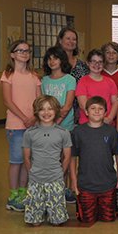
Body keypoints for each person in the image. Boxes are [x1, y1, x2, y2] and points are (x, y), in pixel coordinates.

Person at [0, 40, 41, 212]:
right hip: (16, 126)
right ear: (12, 54)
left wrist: (33, 117)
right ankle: (13, 195)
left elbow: (39, 100)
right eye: (20, 50)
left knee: (27, 161)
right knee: (16, 161)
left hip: (32, 125)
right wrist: (25, 117)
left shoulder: (34, 76)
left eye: (27, 51)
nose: (24, 53)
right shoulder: (8, 75)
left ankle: (24, 192)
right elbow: (7, 101)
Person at [70, 96, 118, 223]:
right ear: (86, 112)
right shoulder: (78, 132)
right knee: (86, 220)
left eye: (100, 109)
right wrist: (73, 180)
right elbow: (72, 157)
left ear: (105, 112)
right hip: (86, 185)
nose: (97, 111)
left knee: (108, 219)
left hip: (107, 184)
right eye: (93, 108)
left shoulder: (111, 131)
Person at [22, 96, 72, 226]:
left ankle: (54, 214)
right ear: (36, 112)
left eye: (50, 109)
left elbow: (67, 156)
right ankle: (37, 213)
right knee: (35, 222)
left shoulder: (63, 133)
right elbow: (26, 157)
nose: (46, 113)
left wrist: (61, 173)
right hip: (36, 179)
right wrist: (31, 172)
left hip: (55, 178)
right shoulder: (29, 133)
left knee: (57, 221)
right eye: (42, 109)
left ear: (56, 111)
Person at [41, 46, 77, 204]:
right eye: (49, 58)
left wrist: (55, 124)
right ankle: (53, 188)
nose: (52, 61)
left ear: (62, 60)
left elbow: (67, 105)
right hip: (47, 126)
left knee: (65, 158)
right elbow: (42, 104)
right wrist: (48, 124)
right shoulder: (45, 81)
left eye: (55, 58)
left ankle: (64, 189)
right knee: (52, 159)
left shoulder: (69, 79)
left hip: (65, 126)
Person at [75, 49, 118, 126]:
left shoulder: (110, 82)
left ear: (104, 64)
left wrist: (110, 118)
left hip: (106, 123)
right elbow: (83, 104)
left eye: (100, 62)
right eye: (93, 61)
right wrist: (97, 119)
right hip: (87, 124)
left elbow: (115, 102)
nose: (97, 64)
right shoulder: (83, 81)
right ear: (88, 63)